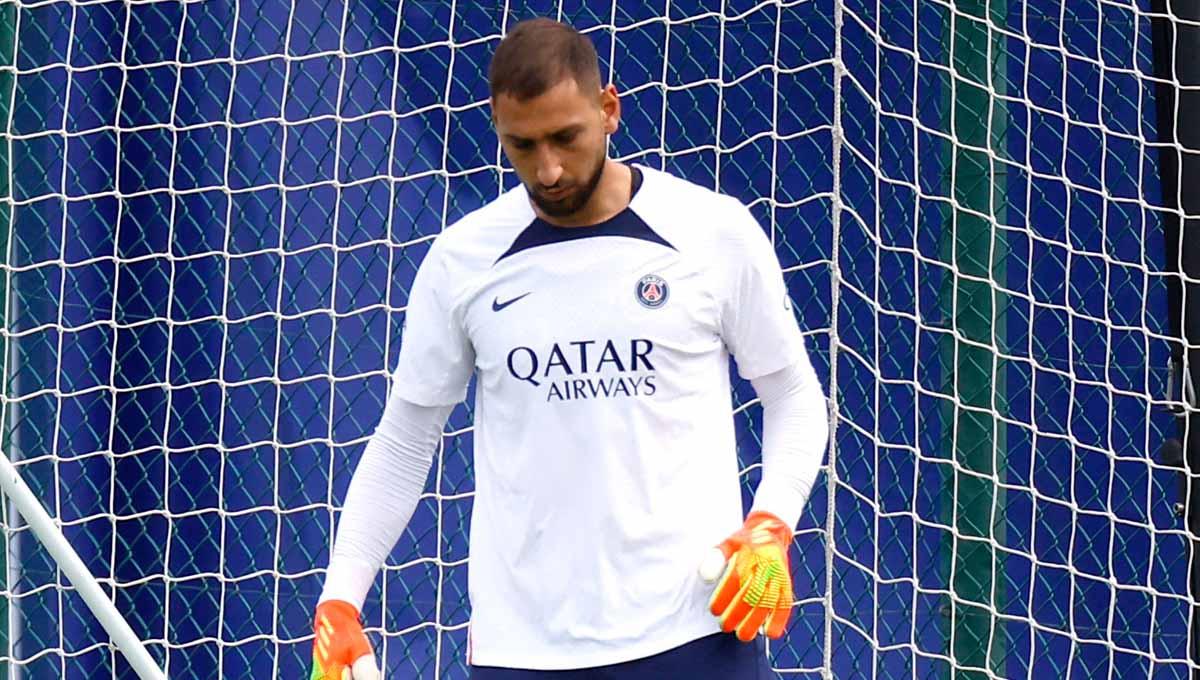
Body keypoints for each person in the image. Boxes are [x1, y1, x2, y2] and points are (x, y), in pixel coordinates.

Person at [309, 17, 829, 680]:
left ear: (608, 109)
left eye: (565, 137)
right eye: (522, 145)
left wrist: (771, 523)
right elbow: (405, 439)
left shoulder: (711, 230)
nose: (548, 168)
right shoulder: (462, 260)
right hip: (523, 652)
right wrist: (341, 601)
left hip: (694, 634)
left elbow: (793, 395)